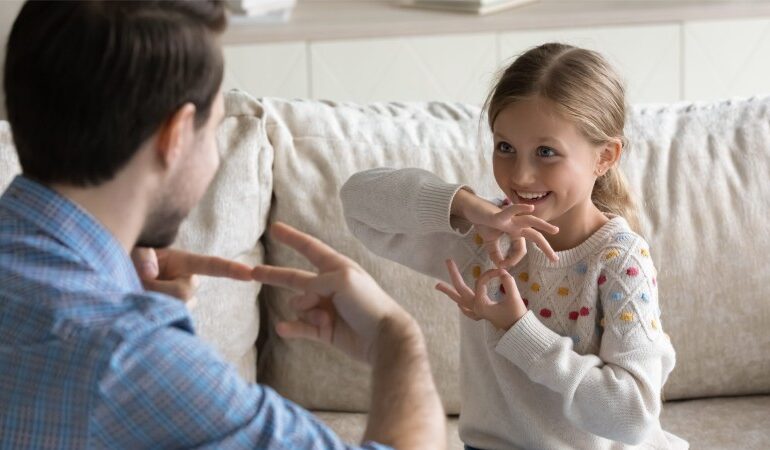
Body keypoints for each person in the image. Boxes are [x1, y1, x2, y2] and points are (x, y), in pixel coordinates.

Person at [0, 1, 445, 449]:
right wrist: (396, 337)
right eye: (212, 131)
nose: (214, 158)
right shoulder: (130, 359)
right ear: (174, 136)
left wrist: (117, 283)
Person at [341, 43, 688, 449]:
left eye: (546, 153)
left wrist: (517, 329)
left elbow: (633, 416)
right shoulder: (482, 235)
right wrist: (464, 207)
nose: (521, 176)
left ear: (605, 157)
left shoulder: (619, 259)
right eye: (505, 148)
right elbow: (358, 203)